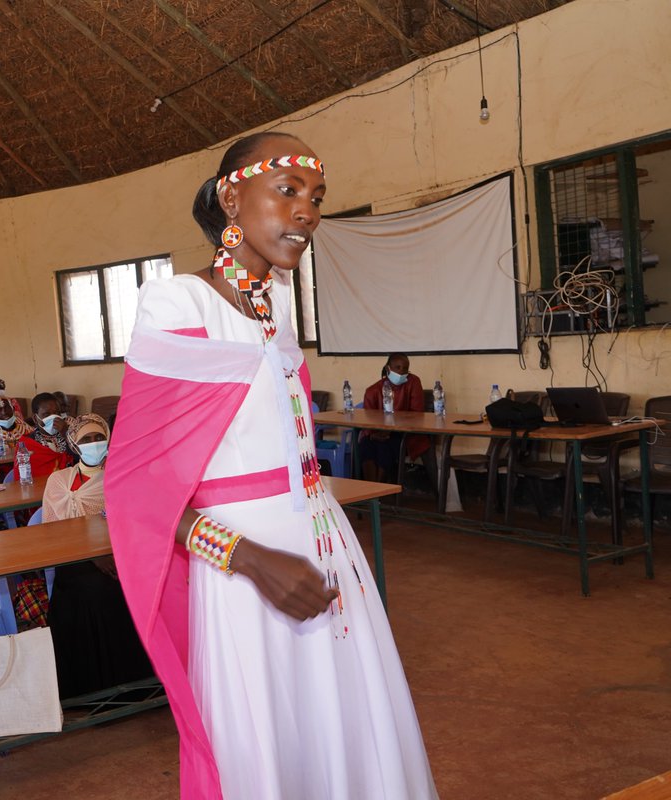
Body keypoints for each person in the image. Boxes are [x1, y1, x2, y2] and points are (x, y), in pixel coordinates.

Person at [105, 133, 436, 799]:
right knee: (267, 746)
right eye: (286, 192)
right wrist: (250, 559)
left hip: (321, 545)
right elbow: (135, 490)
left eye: (315, 198)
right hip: (245, 572)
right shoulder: (178, 304)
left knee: (341, 730)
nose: (306, 212)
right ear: (231, 195)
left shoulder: (277, 303)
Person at [42, 414, 152, 698]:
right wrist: (93, 557)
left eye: (98, 438)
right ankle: (91, 688)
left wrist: (111, 554)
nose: (94, 444)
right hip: (75, 559)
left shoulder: (122, 476)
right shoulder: (58, 481)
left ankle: (136, 684)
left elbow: (136, 524)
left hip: (121, 554)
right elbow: (53, 534)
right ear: (74, 445)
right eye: (86, 440)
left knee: (124, 587)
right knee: (92, 591)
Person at [360, 352, 430, 483]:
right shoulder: (373, 390)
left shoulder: (413, 382)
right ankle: (372, 492)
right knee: (366, 445)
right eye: (397, 368)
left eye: (405, 369)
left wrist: (391, 430)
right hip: (378, 433)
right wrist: (373, 434)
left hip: (404, 434)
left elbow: (417, 414)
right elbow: (367, 419)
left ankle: (379, 492)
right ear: (388, 369)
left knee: (384, 447)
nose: (402, 372)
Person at [11, 393, 70, 482]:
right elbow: (21, 479)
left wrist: (67, 434)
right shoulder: (26, 444)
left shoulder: (70, 436)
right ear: (35, 418)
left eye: (57, 413)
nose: (53, 417)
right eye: (47, 414)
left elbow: (81, 461)